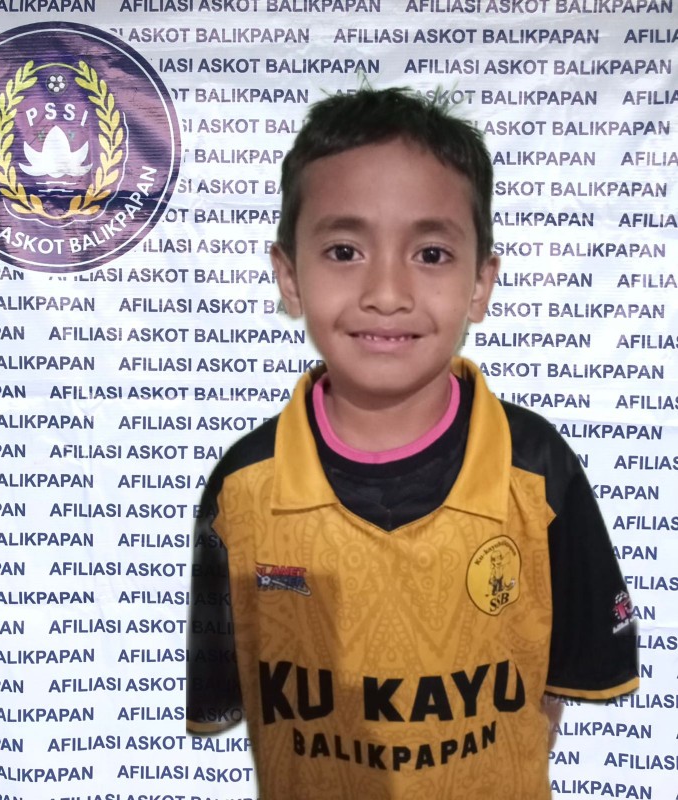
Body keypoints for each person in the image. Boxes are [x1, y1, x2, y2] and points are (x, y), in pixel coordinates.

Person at [186, 87, 638, 799]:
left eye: (430, 253)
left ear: (481, 284)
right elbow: (233, 692)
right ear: (289, 277)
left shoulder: (538, 469)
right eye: (344, 250)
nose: (388, 292)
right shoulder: (243, 486)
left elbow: (555, 687)